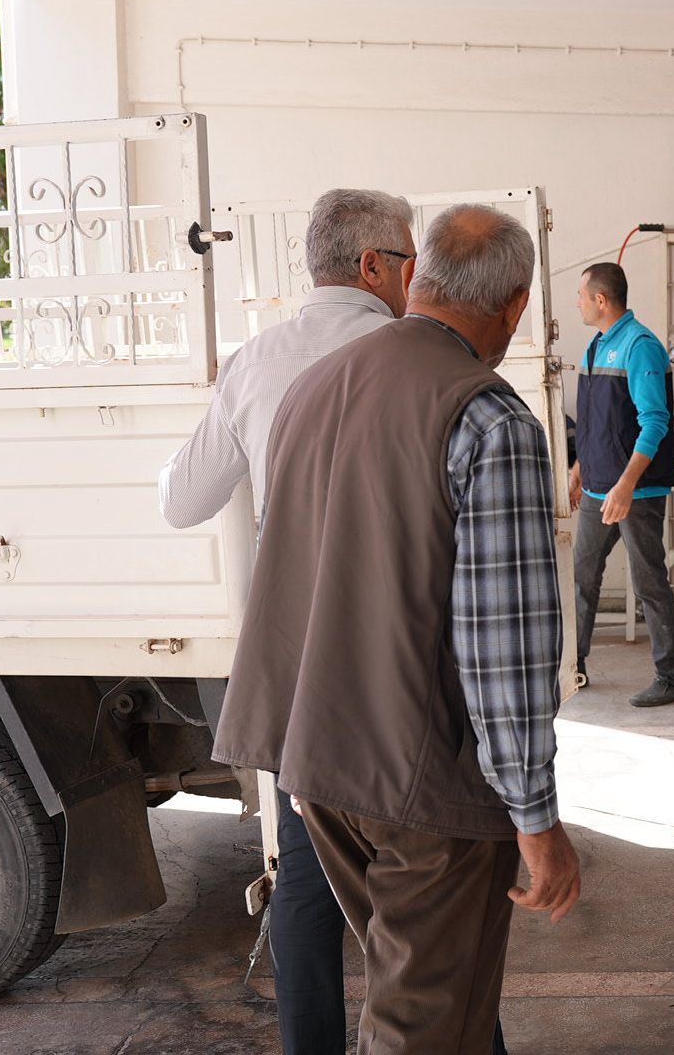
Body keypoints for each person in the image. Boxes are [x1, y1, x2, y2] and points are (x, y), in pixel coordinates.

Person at [211, 203, 581, 1054]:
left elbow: (297, 571)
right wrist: (536, 819)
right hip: (425, 790)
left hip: (321, 762)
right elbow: (505, 649)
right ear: (515, 304)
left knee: (428, 997)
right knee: (421, 1027)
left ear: (416, 281)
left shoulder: (316, 386)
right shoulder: (491, 420)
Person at [158, 188, 418, 1055]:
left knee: (310, 873)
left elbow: (182, 501)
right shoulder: (418, 355)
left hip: (302, 657)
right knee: (431, 878)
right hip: (403, 651)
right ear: (373, 265)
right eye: (410, 259)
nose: (416, 278)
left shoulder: (258, 360)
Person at [567, 261, 674, 707]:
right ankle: (571, 666)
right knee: (581, 578)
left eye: (581, 295)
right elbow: (597, 418)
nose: (576, 302)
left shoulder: (641, 347)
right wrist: (581, 465)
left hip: (634, 493)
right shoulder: (595, 347)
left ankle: (671, 676)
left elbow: (655, 422)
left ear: (601, 300)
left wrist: (624, 485)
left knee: (648, 582)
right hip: (598, 488)